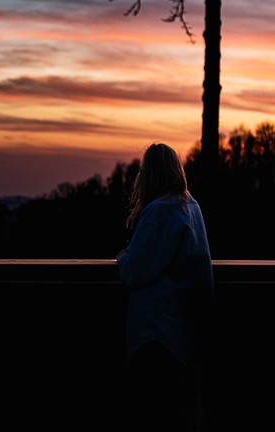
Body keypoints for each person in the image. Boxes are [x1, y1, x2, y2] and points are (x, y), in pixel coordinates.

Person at [116, 143, 214, 432]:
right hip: (182, 334)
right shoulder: (191, 207)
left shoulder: (160, 211)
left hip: (156, 336)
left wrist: (123, 258)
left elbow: (137, 270)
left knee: (150, 416)